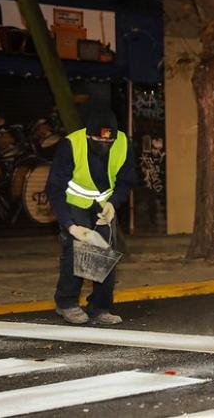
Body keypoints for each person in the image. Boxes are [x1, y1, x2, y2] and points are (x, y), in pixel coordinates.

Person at [46, 109, 136, 326]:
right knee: (76, 250)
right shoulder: (71, 145)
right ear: (88, 136)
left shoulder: (123, 143)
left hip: (103, 206)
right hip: (74, 203)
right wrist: (70, 225)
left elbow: (126, 180)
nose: (105, 145)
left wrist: (113, 204)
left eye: (109, 141)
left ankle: (100, 307)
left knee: (104, 254)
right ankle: (66, 303)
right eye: (98, 141)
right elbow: (54, 189)